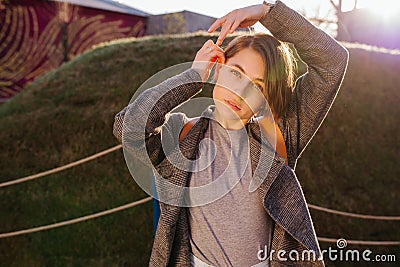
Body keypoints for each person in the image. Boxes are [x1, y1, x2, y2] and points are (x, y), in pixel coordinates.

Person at [113, 1, 349, 266]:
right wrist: (193, 77)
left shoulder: (278, 136)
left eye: (257, 86)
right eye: (236, 74)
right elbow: (128, 127)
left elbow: (332, 61)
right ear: (218, 68)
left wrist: (266, 12)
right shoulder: (183, 134)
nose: (241, 92)